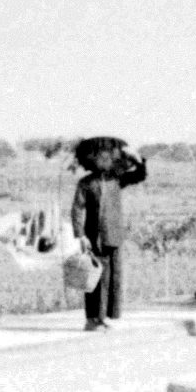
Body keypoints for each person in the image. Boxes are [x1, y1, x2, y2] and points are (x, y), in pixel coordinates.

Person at [71, 138, 147, 331]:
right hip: (94, 237)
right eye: (99, 157)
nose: (104, 160)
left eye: (107, 156)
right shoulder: (86, 183)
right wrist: (80, 235)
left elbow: (139, 175)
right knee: (95, 278)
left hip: (114, 235)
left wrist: (139, 160)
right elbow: (78, 208)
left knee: (112, 278)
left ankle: (103, 317)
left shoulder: (117, 179)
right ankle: (91, 319)